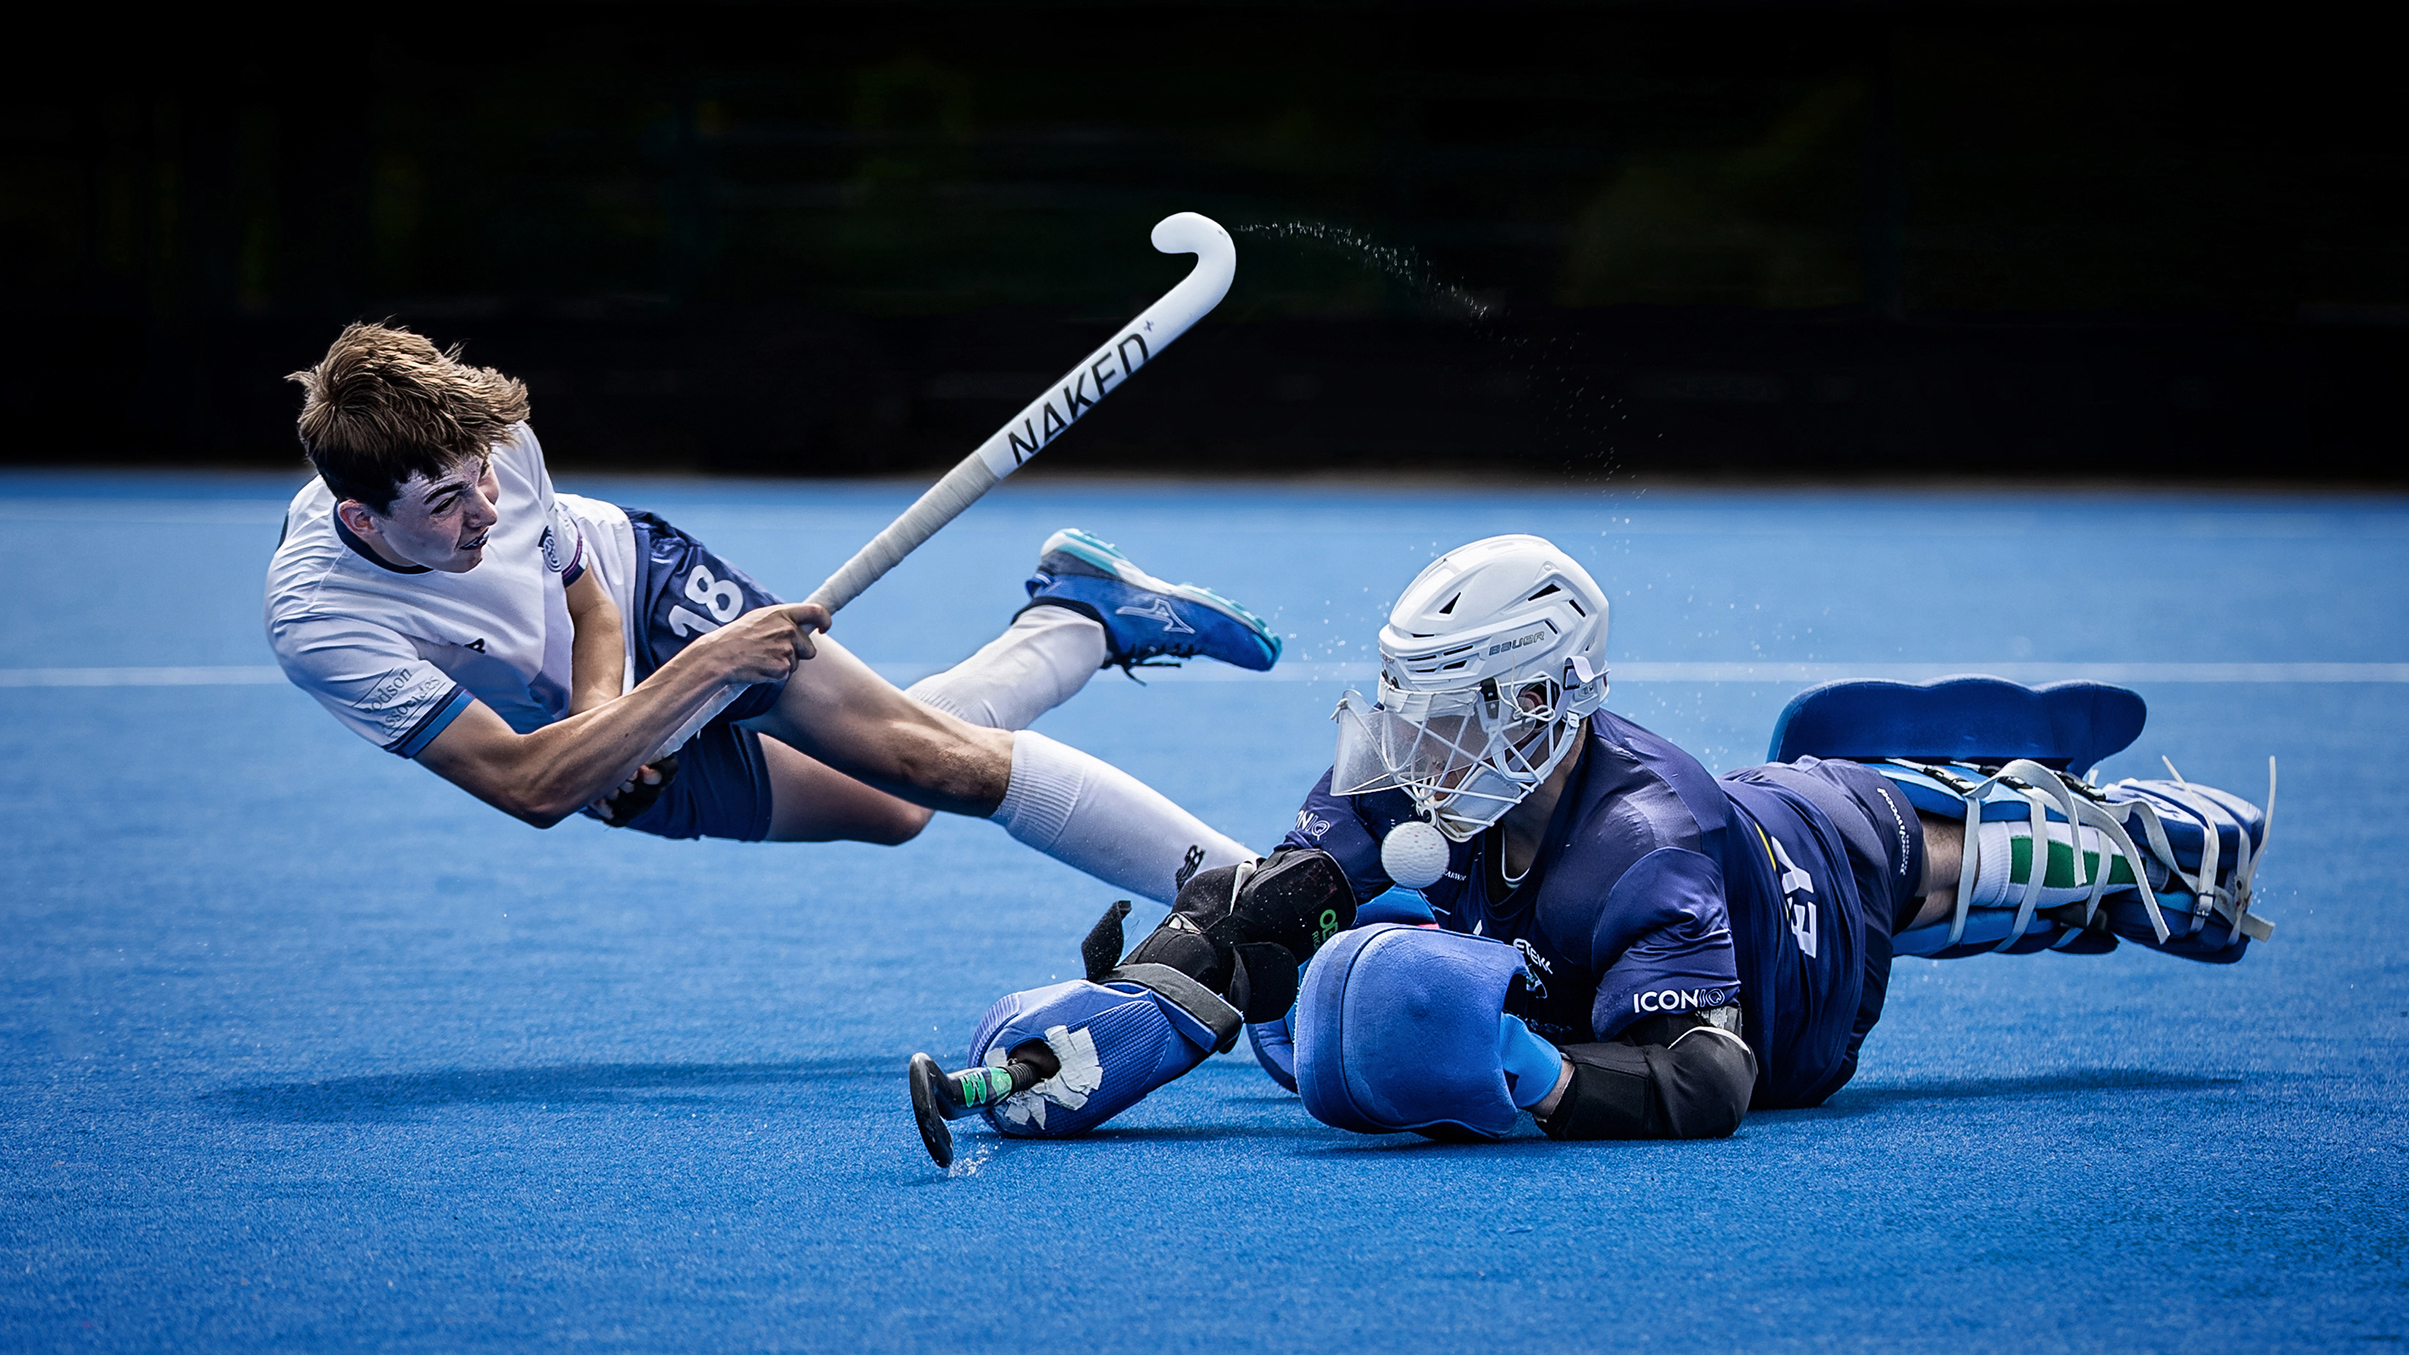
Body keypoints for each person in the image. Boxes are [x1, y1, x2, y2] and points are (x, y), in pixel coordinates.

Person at [915, 534, 2273, 1153]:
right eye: (1409, 703)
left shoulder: (1650, 838)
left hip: (1811, 917)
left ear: (1539, 705)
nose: (1411, 742)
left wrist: (1529, 1068)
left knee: (1936, 864)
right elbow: (1269, 914)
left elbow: (1708, 1078)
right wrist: (1133, 1011)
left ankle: (2132, 853)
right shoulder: (1407, 778)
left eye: (1449, 711)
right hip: (1652, 910)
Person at [264, 321, 1283, 904]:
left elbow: (584, 587)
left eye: (483, 477)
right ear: (361, 513)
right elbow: (530, 786)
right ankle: (1080, 618)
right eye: (445, 505)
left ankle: (1276, 900)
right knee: (896, 808)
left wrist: (614, 713)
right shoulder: (323, 619)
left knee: (930, 760)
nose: (484, 509)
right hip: (592, 729)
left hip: (652, 597)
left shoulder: (490, 442)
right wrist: (659, 707)